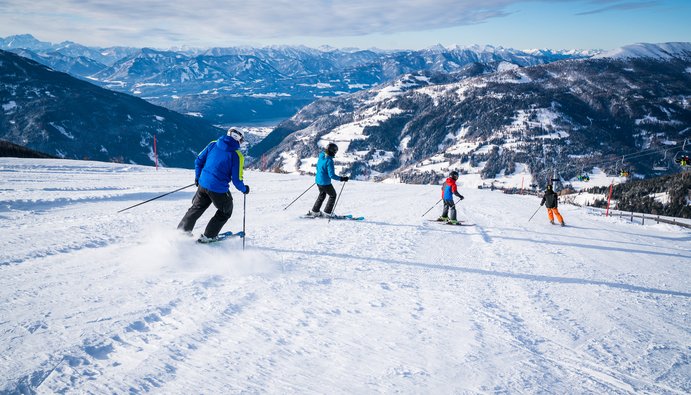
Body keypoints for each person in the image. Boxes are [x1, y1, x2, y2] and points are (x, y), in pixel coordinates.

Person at [177, 127, 250, 242]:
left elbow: (198, 161)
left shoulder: (213, 144)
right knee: (226, 210)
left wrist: (198, 176)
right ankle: (209, 236)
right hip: (218, 189)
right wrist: (244, 189)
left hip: (203, 184)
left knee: (196, 207)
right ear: (239, 139)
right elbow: (236, 180)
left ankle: (182, 232)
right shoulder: (237, 155)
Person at [307, 143, 348, 217]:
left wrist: (321, 176)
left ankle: (315, 211)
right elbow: (331, 175)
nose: (335, 153)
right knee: (333, 195)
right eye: (335, 151)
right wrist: (342, 178)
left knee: (322, 195)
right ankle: (327, 213)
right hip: (325, 183)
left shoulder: (321, 155)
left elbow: (317, 168)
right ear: (332, 151)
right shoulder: (329, 161)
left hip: (318, 180)